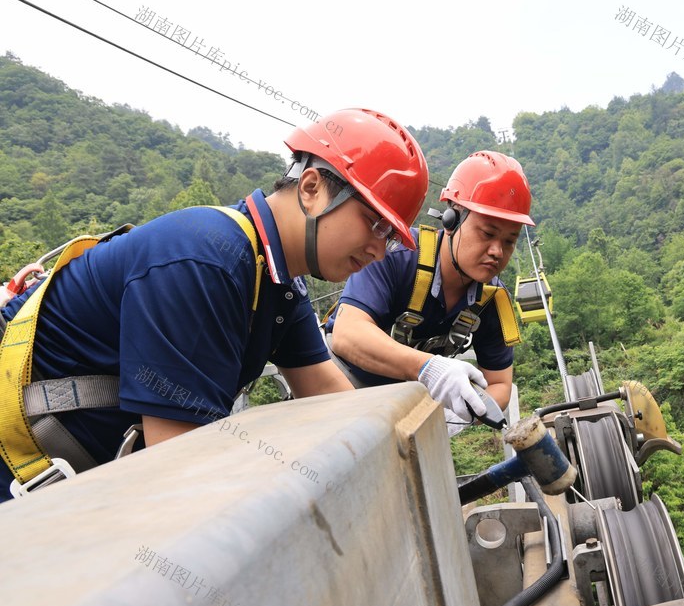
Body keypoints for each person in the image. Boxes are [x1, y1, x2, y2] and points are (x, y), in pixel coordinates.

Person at [0, 108, 429, 501]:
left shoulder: (278, 279)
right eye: (374, 224)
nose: (379, 249)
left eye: (390, 237)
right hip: (16, 467)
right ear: (313, 188)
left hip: (61, 484)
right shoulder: (207, 259)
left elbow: (333, 401)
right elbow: (180, 468)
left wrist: (404, 463)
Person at [327, 151, 533, 435]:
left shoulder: (492, 301)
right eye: (487, 233)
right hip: (341, 390)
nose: (497, 251)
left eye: (510, 241)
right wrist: (429, 367)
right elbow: (347, 336)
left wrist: (460, 415)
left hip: (408, 415)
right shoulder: (396, 253)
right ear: (451, 221)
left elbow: (500, 385)